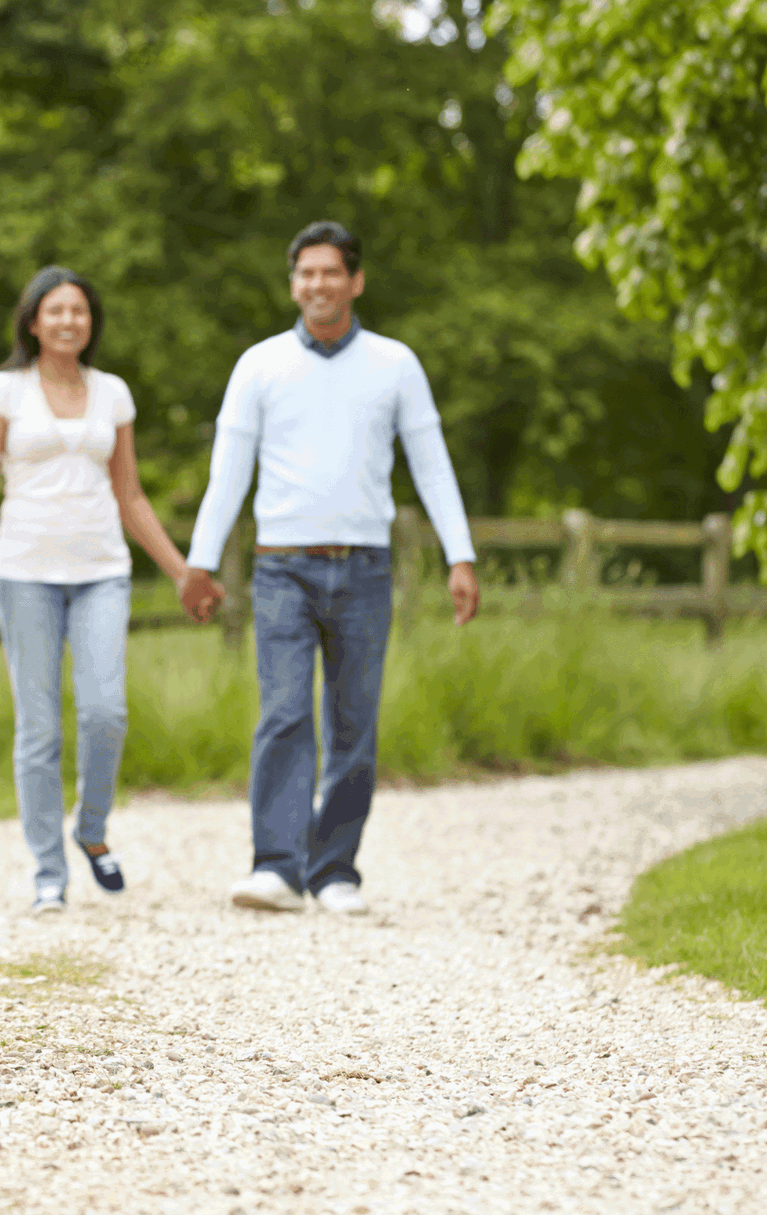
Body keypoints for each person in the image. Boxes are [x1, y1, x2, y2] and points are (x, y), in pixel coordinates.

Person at [180, 221, 480, 917]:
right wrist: (199, 562)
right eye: (305, 273)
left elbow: (431, 465)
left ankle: (335, 868)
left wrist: (459, 554)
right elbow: (227, 475)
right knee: (284, 713)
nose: (318, 284)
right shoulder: (258, 366)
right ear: (293, 283)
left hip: (365, 569)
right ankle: (277, 867)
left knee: (353, 721)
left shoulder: (394, 364)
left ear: (356, 280)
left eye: (330, 272)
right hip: (281, 566)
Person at [0, 267, 220, 915]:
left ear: (91, 321)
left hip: (103, 568)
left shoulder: (114, 394)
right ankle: (49, 869)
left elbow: (129, 493)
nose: (69, 321)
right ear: (33, 320)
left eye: (79, 310)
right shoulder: (2, 391)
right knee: (39, 728)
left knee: (106, 711)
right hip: (26, 572)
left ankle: (92, 828)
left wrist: (183, 570)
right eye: (56, 310)